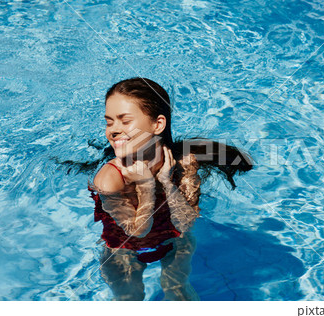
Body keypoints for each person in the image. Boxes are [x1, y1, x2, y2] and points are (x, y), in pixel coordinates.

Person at [85, 77, 253, 300]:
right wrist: (145, 185)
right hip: (121, 249)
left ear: (158, 124)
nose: (114, 130)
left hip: (173, 241)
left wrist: (166, 182)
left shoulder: (183, 162)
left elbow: (186, 222)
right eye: (109, 122)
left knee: (178, 291)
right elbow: (136, 231)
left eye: (125, 121)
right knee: (129, 299)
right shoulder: (111, 178)